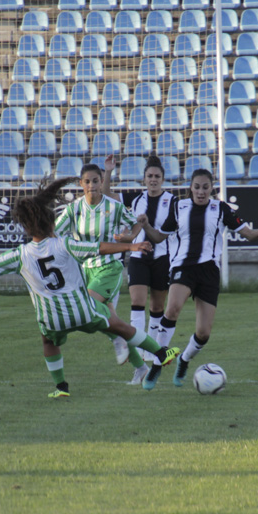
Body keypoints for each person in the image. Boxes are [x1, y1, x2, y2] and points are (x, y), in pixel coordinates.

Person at [0, 178, 179, 398]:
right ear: (51, 224)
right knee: (118, 324)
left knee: (48, 340)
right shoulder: (64, 244)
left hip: (52, 319)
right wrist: (130, 247)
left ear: (27, 229)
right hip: (83, 311)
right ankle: (160, 353)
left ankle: (61, 387)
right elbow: (99, 248)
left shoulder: (20, 254)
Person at [137, 168, 258, 389]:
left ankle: (184, 360)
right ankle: (158, 363)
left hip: (208, 272)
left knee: (203, 333)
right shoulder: (179, 207)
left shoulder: (221, 209)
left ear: (211, 189)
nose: (201, 191)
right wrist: (147, 225)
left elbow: (249, 234)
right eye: (197, 187)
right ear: (191, 188)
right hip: (183, 267)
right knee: (173, 308)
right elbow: (159, 237)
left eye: (205, 187)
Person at [54, 162, 150, 385]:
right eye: (87, 182)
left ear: (101, 182)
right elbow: (54, 233)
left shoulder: (113, 207)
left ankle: (119, 340)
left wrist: (129, 238)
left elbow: (135, 225)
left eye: (95, 181)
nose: (91, 185)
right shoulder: (74, 209)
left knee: (88, 308)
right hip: (84, 271)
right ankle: (141, 367)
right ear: (81, 184)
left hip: (109, 267)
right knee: (110, 320)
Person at [103, 154, 178, 361]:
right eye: (149, 176)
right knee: (137, 302)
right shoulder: (136, 198)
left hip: (162, 258)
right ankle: (137, 350)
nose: (153, 179)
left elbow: (165, 235)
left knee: (156, 307)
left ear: (162, 179)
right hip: (138, 257)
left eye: (157, 176)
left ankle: (151, 352)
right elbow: (107, 194)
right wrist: (108, 171)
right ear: (144, 179)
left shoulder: (172, 201)